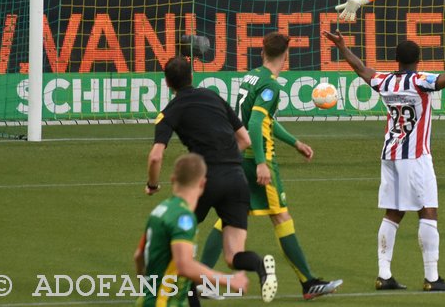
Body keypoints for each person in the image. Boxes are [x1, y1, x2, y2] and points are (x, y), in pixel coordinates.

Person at [323, 29, 445, 292]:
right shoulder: (420, 81)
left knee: (393, 213)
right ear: (418, 59)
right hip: (415, 156)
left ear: (396, 60)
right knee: (428, 211)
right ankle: (431, 278)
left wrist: (342, 47)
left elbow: (361, 69)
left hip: (390, 153)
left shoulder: (384, 81)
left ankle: (384, 275)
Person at [198, 32, 343, 301]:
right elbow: (254, 124)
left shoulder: (252, 76)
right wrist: (263, 163)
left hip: (239, 158)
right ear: (285, 57)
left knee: (228, 219)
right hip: (257, 161)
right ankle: (308, 283)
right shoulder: (272, 86)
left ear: (262, 52)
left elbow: (263, 120)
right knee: (281, 217)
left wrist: (295, 142)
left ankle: (200, 280)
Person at [145, 56, 278, 303]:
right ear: (192, 77)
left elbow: (155, 157)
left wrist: (152, 185)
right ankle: (259, 265)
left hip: (204, 180)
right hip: (237, 180)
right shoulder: (213, 96)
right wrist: (226, 159)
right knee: (233, 254)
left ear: (167, 83)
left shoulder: (170, 111)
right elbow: (245, 140)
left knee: (180, 254)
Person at [134, 153, 250, 307]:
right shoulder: (184, 219)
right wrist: (229, 281)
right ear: (202, 184)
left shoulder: (160, 210)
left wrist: (148, 286)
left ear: (173, 179)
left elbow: (139, 256)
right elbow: (185, 265)